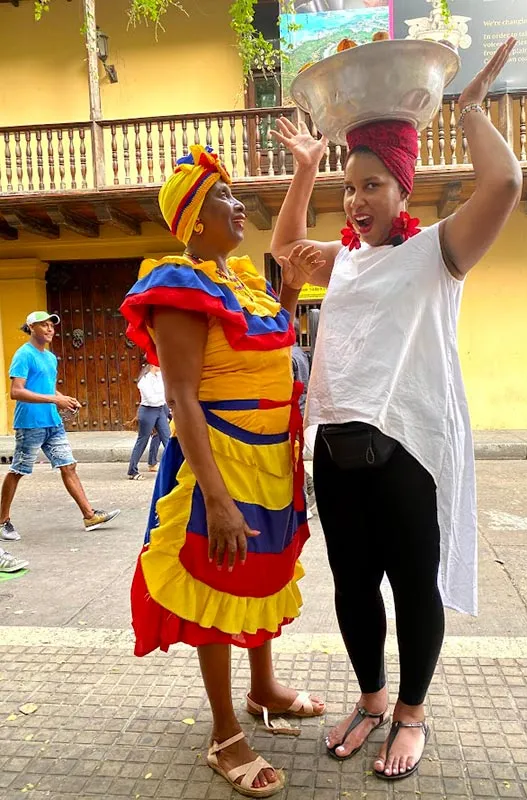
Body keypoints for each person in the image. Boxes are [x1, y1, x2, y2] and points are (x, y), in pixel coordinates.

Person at [270, 40, 522, 780]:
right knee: (353, 590)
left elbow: (505, 182)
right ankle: (373, 699)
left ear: (402, 188)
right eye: (349, 188)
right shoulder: (345, 257)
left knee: (413, 591)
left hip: (406, 454)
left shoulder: (438, 253)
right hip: (336, 453)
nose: (356, 201)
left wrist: (469, 110)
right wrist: (307, 169)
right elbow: (286, 250)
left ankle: (411, 713)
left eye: (372, 185)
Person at [120, 145, 324, 798]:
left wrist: (290, 288)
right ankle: (225, 731)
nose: (239, 207)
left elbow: (274, 337)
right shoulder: (180, 287)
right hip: (220, 463)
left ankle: (263, 688)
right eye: (224, 198)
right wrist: (216, 499)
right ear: (195, 218)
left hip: (270, 460)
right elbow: (181, 397)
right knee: (218, 577)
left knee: (263, 572)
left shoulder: (243, 284)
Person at [0, 311, 121, 541]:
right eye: (43, 325)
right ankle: (2, 521)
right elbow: (17, 391)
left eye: (52, 326)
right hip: (30, 424)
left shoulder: (50, 358)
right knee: (18, 471)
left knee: (69, 466)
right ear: (31, 327)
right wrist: (55, 400)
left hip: (53, 422)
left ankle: (89, 516)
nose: (50, 329)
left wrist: (64, 399)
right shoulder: (24, 354)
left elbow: (46, 388)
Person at [127, 364, 170, 480]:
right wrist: (164, 397)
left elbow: (167, 390)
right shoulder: (144, 381)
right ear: (152, 365)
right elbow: (152, 400)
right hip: (148, 411)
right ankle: (132, 471)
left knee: (168, 438)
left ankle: (174, 468)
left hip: (160, 409)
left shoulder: (160, 376)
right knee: (143, 440)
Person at [292, 320, 315, 516]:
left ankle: (304, 503)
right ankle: (309, 490)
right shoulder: (301, 353)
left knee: (293, 459)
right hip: (302, 408)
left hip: (293, 411)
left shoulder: (289, 355)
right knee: (296, 457)